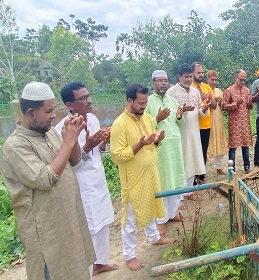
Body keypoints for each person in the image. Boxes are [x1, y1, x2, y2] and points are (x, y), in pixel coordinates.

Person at [2, 82, 95, 279]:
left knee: (77, 268)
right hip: (47, 232)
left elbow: (74, 160)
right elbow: (45, 179)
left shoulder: (48, 130)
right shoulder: (15, 146)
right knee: (56, 271)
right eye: (49, 111)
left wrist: (74, 136)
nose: (54, 115)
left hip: (68, 220)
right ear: (31, 113)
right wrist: (68, 142)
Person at [55, 82, 118, 276]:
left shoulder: (92, 119)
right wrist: (87, 147)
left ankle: (100, 262)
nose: (89, 100)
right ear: (69, 104)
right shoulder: (61, 130)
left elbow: (99, 152)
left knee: (103, 222)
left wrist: (103, 140)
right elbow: (70, 164)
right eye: (82, 98)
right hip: (81, 184)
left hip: (97, 179)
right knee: (89, 228)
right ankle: (87, 271)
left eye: (88, 96)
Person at [110, 83, 168, 271]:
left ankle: (153, 238)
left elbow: (151, 143)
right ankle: (129, 255)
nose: (144, 106)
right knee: (131, 219)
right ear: (130, 101)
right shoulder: (119, 124)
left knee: (151, 205)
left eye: (145, 102)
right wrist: (140, 145)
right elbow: (117, 156)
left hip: (150, 173)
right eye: (140, 103)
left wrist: (156, 141)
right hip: (133, 179)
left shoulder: (148, 118)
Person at [145, 70, 185, 238]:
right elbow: (144, 125)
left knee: (176, 180)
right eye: (160, 81)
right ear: (153, 83)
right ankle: (160, 222)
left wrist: (180, 117)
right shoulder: (147, 102)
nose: (163, 83)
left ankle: (171, 213)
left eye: (165, 80)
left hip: (175, 145)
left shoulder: (173, 100)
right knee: (163, 182)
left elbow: (178, 124)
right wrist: (157, 119)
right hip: (159, 148)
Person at [167, 63, 209, 199]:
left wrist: (205, 107)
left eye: (190, 76)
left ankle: (189, 191)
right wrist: (182, 110)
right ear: (179, 77)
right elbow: (168, 114)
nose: (189, 79)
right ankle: (179, 195)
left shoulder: (195, 92)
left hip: (193, 133)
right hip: (179, 133)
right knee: (182, 162)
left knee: (192, 160)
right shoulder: (172, 92)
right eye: (186, 77)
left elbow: (201, 111)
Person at [223, 69, 253, 173]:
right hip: (234, 123)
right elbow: (224, 106)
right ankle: (232, 169)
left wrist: (250, 103)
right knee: (233, 147)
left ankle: (247, 167)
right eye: (241, 80)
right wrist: (236, 103)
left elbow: (249, 106)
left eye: (244, 80)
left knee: (245, 145)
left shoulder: (246, 90)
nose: (243, 82)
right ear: (235, 78)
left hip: (245, 121)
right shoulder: (229, 91)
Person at [192, 62, 216, 183]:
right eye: (198, 73)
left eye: (202, 72)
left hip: (206, 125)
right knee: (194, 152)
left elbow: (215, 106)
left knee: (203, 151)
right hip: (193, 126)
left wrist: (210, 100)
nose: (201, 75)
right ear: (192, 74)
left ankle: (201, 176)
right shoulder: (189, 87)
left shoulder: (207, 87)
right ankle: (193, 178)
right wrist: (200, 99)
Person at [206, 70, 228, 175]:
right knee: (206, 145)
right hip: (207, 122)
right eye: (212, 80)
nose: (214, 82)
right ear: (207, 80)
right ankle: (203, 171)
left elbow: (224, 107)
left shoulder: (219, 91)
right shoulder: (204, 90)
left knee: (220, 143)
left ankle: (219, 168)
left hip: (218, 122)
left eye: (216, 80)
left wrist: (220, 102)